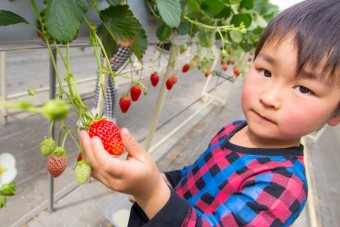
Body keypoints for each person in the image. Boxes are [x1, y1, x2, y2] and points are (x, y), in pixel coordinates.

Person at [79, 0, 340, 226]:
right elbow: (194, 175)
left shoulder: (283, 186)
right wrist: (162, 180)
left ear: (335, 114)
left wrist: (151, 192)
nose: (269, 98)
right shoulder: (234, 129)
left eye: (304, 88)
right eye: (266, 72)